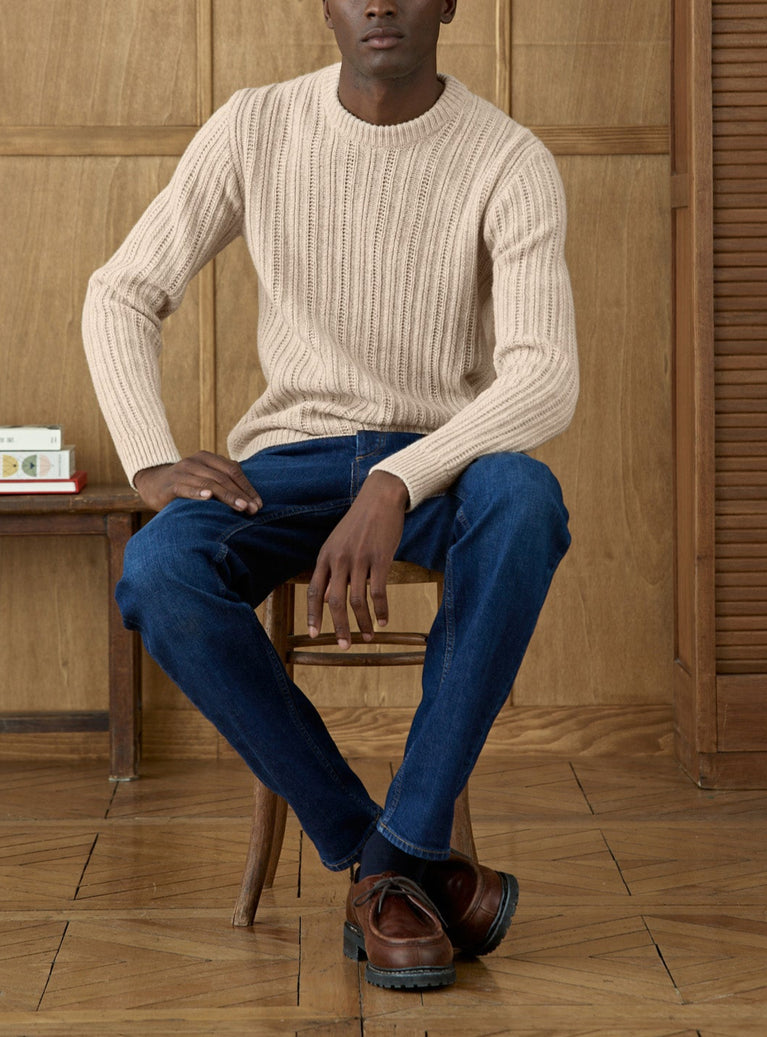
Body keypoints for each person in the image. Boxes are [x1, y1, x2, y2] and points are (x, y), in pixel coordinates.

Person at [82, 0, 578, 991]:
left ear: (450, 2)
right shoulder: (255, 125)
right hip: (287, 465)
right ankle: (385, 855)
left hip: (438, 463)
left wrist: (399, 478)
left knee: (525, 497)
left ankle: (396, 861)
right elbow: (120, 292)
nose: (378, 1)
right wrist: (148, 462)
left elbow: (546, 375)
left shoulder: (507, 157)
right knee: (159, 566)